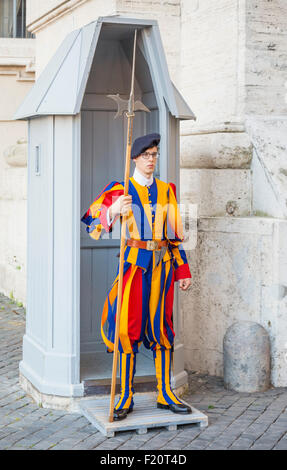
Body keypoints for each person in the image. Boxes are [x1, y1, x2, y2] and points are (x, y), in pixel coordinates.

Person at [81, 133, 192, 420]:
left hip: (163, 268)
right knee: (127, 329)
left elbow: (176, 235)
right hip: (134, 268)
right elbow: (91, 225)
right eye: (146, 155)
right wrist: (113, 211)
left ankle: (165, 393)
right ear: (135, 158)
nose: (151, 160)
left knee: (162, 328)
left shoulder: (167, 190)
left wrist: (182, 270)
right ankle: (125, 396)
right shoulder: (120, 187)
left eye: (155, 154)